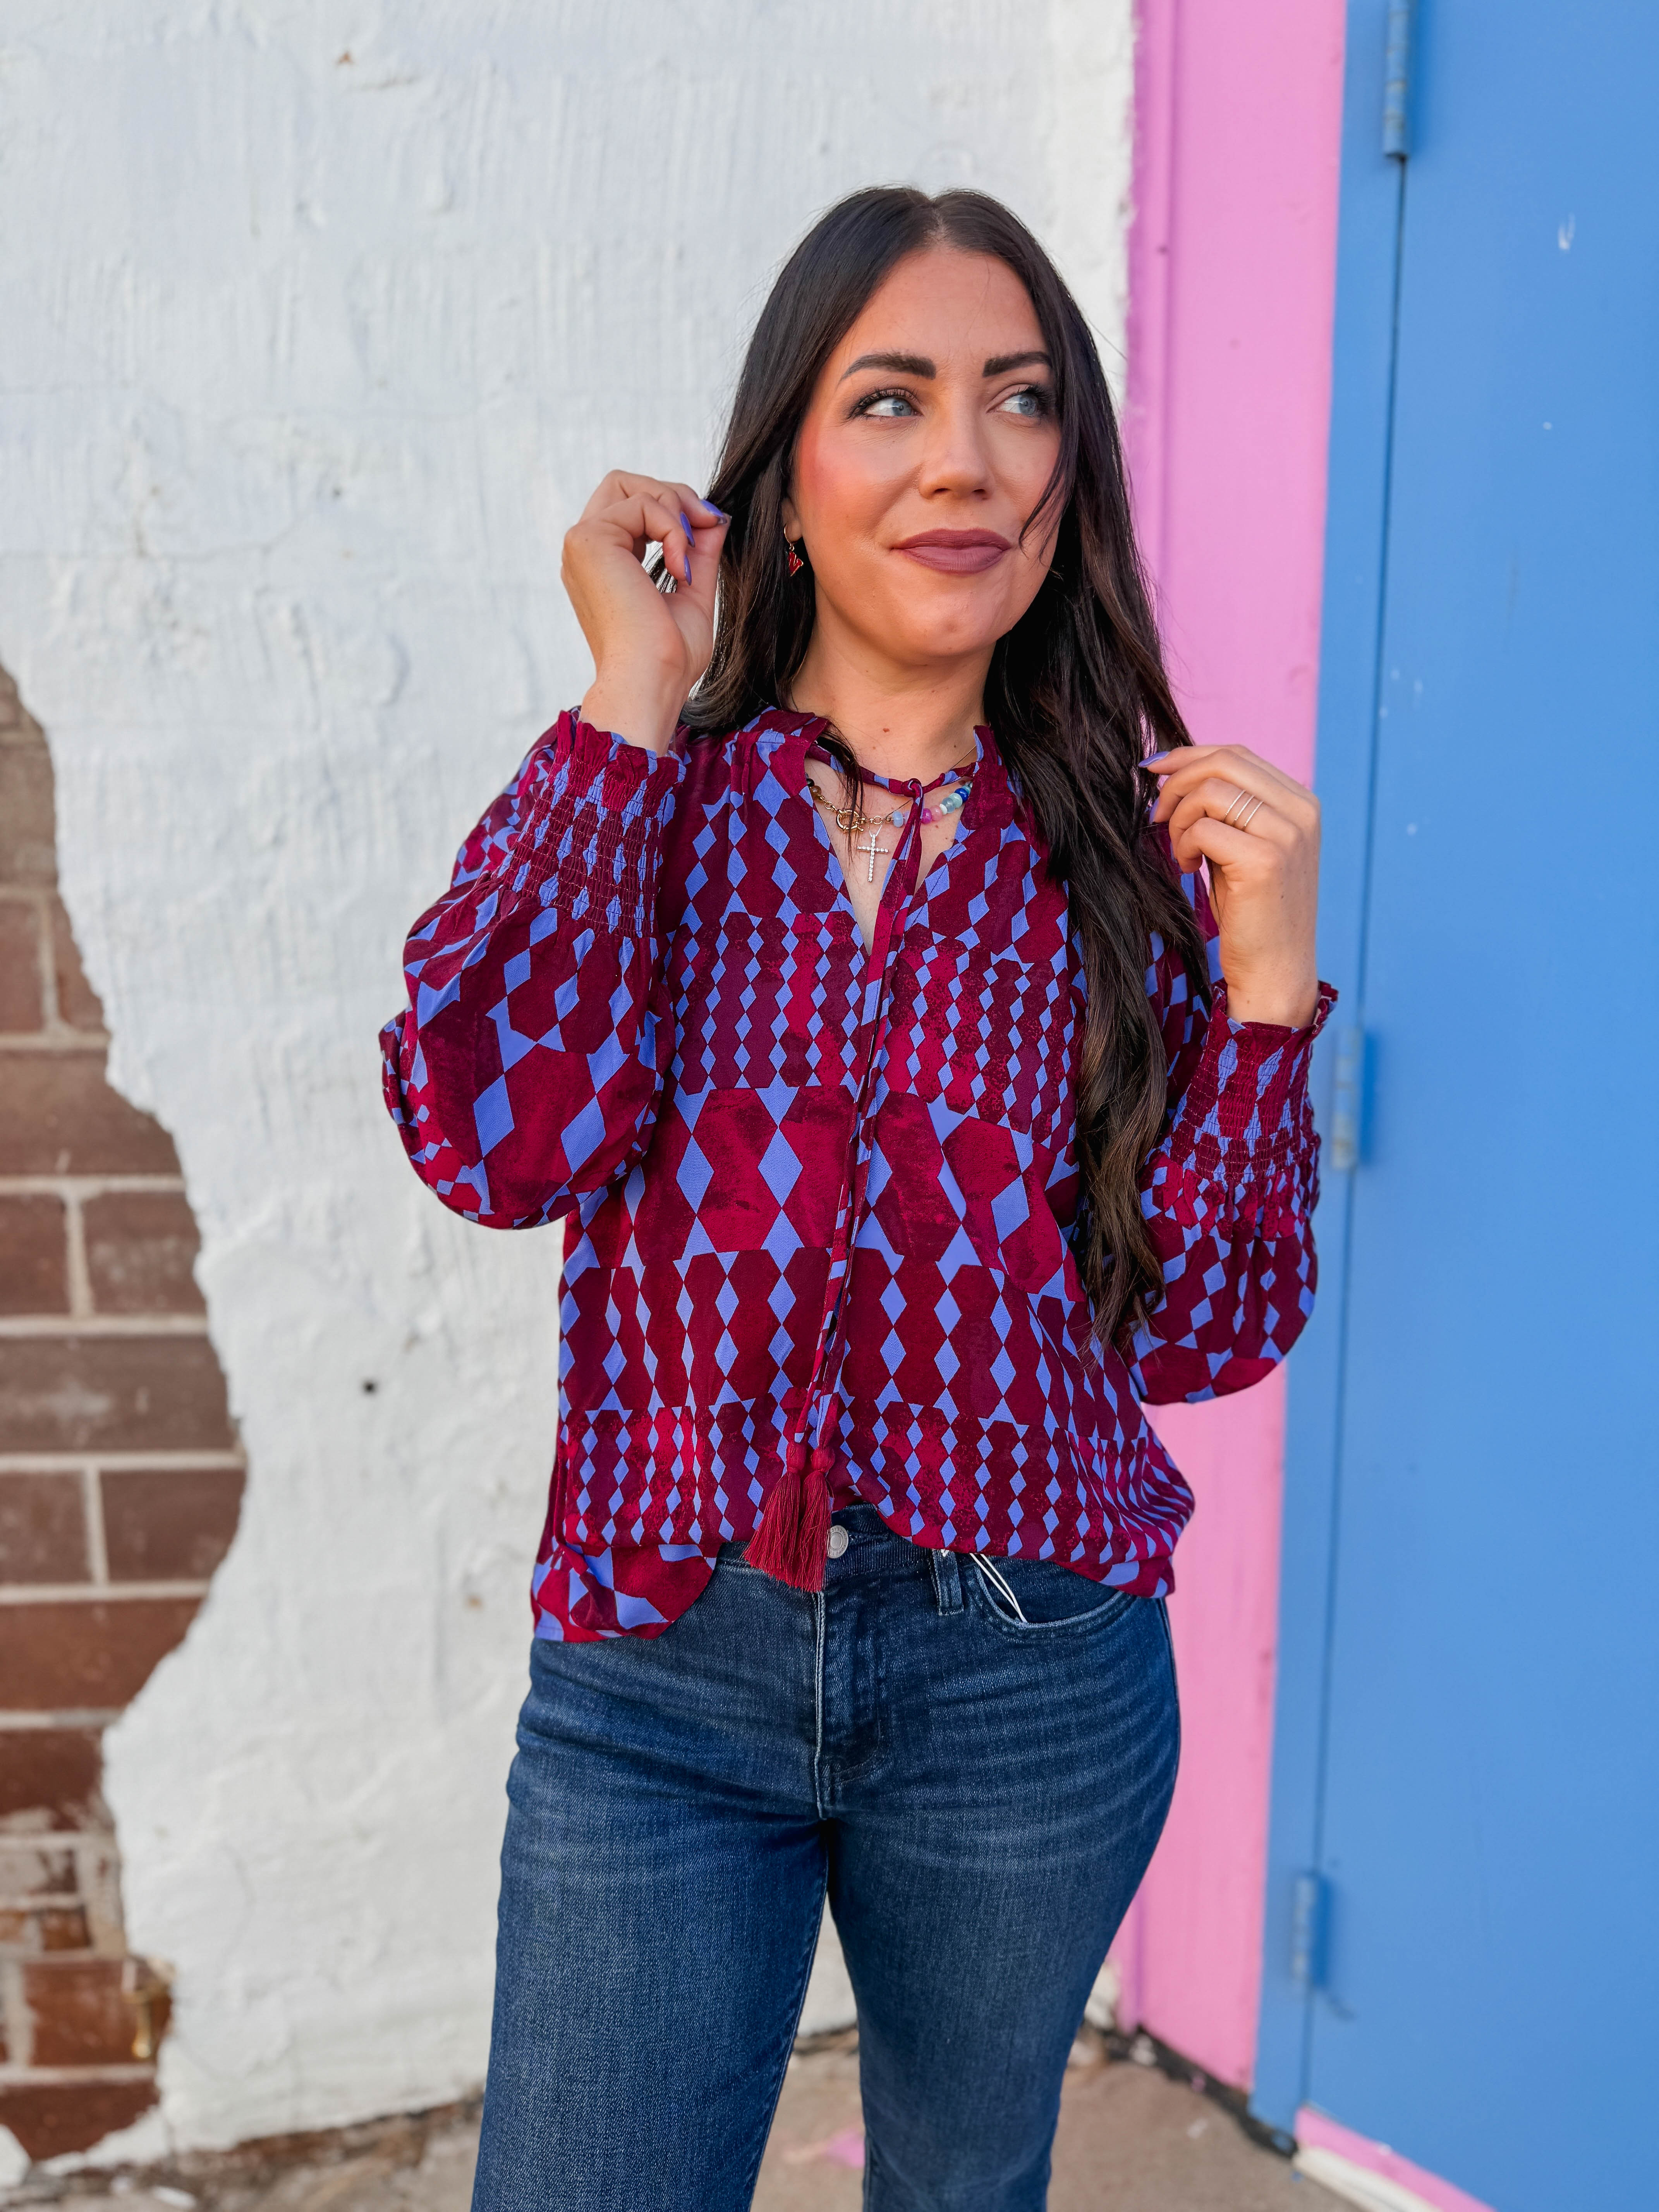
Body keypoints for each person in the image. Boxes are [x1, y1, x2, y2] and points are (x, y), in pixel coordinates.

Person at [381, 185, 1327, 2212]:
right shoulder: (648, 797)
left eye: (1021, 402)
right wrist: (634, 695)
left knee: (960, 2189)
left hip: (1028, 1674)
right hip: (662, 1664)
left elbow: (1201, 1333)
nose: (963, 459)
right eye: (890, 400)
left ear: (1069, 486)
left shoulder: (1127, 866)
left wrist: (1264, 1000)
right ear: (787, 485)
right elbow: (495, 1144)